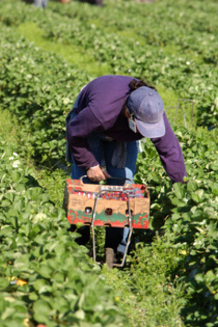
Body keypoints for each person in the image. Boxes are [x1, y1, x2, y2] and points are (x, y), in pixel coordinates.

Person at [66, 75, 186, 267]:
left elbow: (169, 149)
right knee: (85, 186)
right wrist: (90, 163)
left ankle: (113, 251)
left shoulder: (152, 109)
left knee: (122, 188)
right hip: (88, 129)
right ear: (129, 114)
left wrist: (182, 187)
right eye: (143, 127)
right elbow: (75, 132)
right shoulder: (100, 111)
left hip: (122, 135)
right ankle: (76, 242)